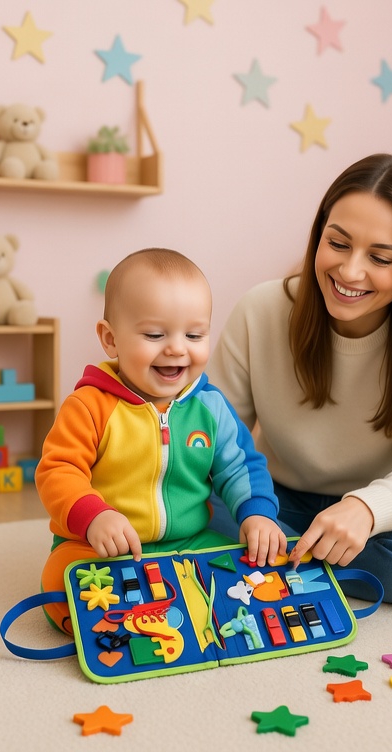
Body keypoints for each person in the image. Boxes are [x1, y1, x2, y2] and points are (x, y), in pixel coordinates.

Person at [207, 153, 392, 604]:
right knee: (189, 506)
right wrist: (254, 512)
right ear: (319, 236)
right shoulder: (261, 310)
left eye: (381, 257)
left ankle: (281, 563)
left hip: (375, 514)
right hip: (269, 498)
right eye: (339, 243)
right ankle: (303, 559)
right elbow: (214, 436)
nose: (349, 272)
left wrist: (366, 508)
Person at [35, 248, 287, 631]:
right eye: (154, 334)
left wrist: (257, 514)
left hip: (188, 542)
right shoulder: (89, 406)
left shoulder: (211, 407)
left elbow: (242, 467)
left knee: (249, 577)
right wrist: (94, 516)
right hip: (100, 547)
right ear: (110, 339)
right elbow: (58, 470)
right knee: (62, 587)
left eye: (194, 334)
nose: (176, 348)